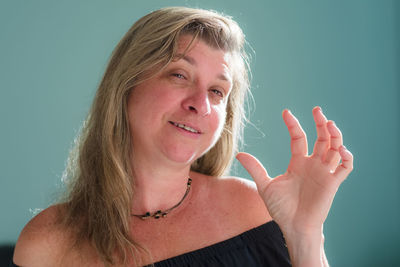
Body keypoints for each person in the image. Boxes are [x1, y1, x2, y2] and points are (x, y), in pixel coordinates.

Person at [12, 7, 353, 267]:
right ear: (126, 85)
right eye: (179, 74)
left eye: (218, 91)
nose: (200, 104)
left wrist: (305, 233)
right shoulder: (47, 244)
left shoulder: (257, 208)